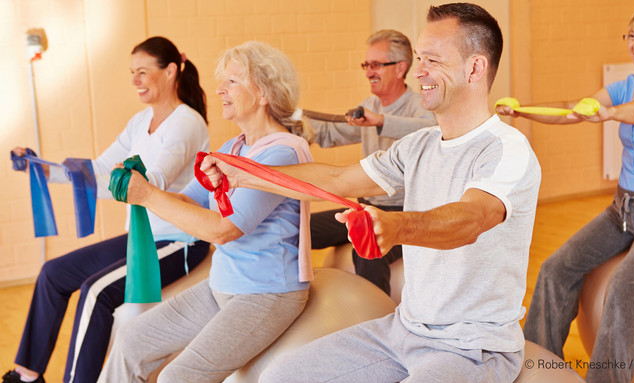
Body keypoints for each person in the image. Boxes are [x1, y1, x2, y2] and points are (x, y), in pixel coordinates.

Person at [201, 4, 541, 382]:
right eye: (419, 58)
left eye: (432, 60)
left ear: (475, 68)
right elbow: (336, 181)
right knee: (280, 377)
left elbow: (472, 219)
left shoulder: (506, 148)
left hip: (473, 348)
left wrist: (396, 227)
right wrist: (243, 174)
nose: (419, 71)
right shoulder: (419, 145)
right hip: (402, 331)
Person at [496, 4, 634, 383]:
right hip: (623, 211)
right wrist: (522, 111)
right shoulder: (624, 86)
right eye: (632, 36)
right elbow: (570, 111)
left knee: (624, 286)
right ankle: (537, 366)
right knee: (555, 268)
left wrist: (610, 113)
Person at [98, 41, 313, 383]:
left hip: (267, 294)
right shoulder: (233, 148)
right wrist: (143, 186)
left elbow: (223, 229)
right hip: (223, 285)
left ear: (263, 94)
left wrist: (148, 195)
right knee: (130, 339)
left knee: (175, 378)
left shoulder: (283, 153)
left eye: (232, 81)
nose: (219, 90)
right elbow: (187, 200)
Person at [3, 36, 211, 383]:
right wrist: (40, 168)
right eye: (132, 73)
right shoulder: (139, 121)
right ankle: (27, 375)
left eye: (143, 72)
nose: (135, 81)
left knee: (96, 292)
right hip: (142, 238)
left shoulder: (187, 123)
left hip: (180, 241)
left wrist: (123, 180)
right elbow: (99, 170)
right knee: (53, 273)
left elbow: (152, 183)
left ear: (171, 71)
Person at [308, 29, 436, 295]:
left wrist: (380, 121)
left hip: (403, 215)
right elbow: (333, 132)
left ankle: (378, 323)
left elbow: (431, 130)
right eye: (367, 65)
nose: (368, 72)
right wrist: (294, 127)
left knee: (368, 251)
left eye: (376, 65)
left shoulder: (419, 106)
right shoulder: (370, 105)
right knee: (298, 229)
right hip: (363, 211)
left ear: (400, 68)